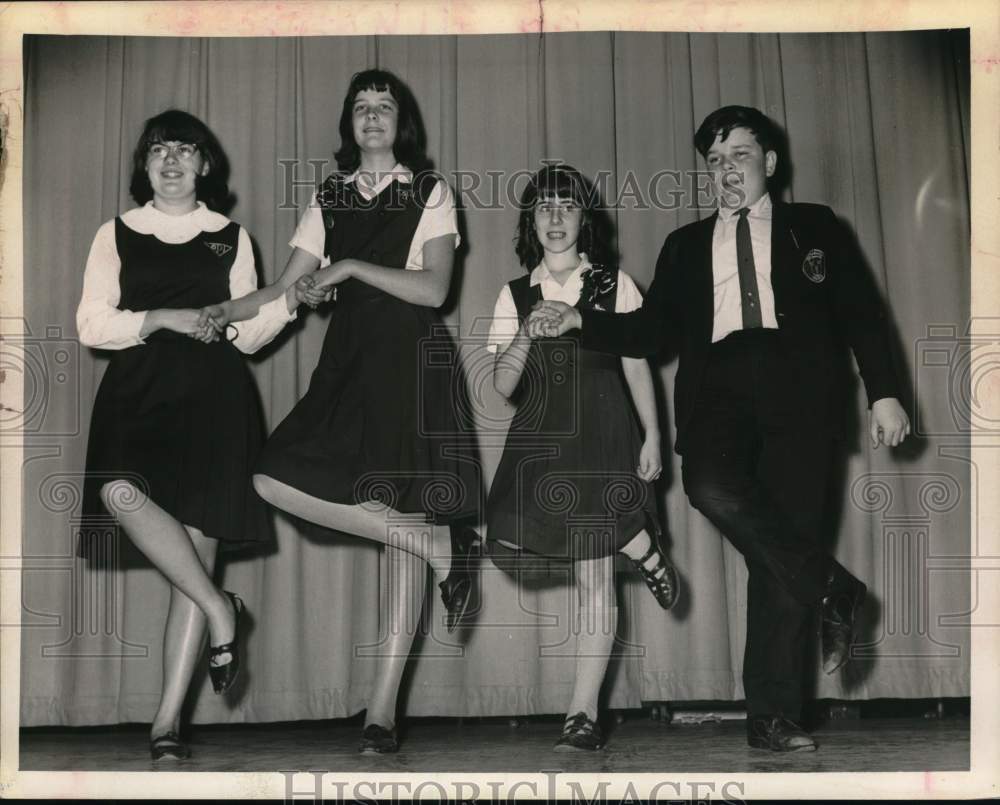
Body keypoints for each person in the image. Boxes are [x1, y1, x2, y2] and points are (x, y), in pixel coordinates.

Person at [528, 106, 910, 752]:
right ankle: (834, 587)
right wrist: (578, 322)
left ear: (770, 164)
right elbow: (652, 333)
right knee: (710, 485)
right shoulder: (684, 246)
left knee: (776, 552)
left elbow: (861, 313)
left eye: (740, 154)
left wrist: (887, 393)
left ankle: (772, 715)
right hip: (720, 391)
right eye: (715, 160)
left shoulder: (814, 227)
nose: (727, 169)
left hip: (803, 392)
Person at [202, 69, 479, 754]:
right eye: (361, 106)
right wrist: (219, 310)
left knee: (400, 529)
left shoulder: (430, 191)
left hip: (412, 360)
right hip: (348, 366)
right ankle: (447, 548)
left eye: (384, 106)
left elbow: (437, 288)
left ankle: (381, 712)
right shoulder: (328, 196)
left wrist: (349, 267)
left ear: (401, 120)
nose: (373, 115)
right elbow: (284, 287)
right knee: (273, 475)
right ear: (349, 123)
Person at [76, 110, 296, 762]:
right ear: (144, 166)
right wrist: (164, 316)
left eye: (184, 150)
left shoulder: (230, 236)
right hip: (137, 395)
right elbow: (92, 322)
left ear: (205, 164)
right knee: (118, 490)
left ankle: (167, 722)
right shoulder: (116, 233)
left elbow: (247, 331)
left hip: (214, 401)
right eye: (158, 151)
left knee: (189, 571)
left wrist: (286, 302)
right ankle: (224, 610)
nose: (170, 160)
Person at [485, 164, 679, 752]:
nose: (555, 217)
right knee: (511, 540)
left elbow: (637, 361)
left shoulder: (613, 285)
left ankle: (582, 713)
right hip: (541, 441)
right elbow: (502, 386)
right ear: (530, 223)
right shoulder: (514, 293)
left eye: (566, 206)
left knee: (594, 579)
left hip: (602, 434)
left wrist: (652, 434)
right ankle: (639, 543)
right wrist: (527, 331)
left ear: (583, 219)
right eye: (543, 207)